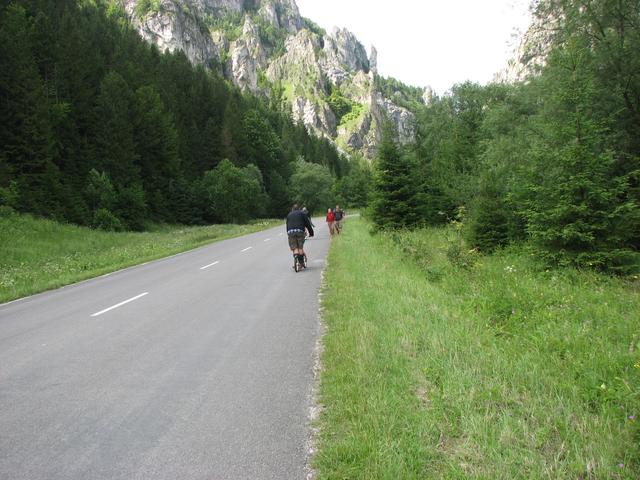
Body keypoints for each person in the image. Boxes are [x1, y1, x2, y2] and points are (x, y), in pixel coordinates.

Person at [286, 203, 314, 269]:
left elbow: (287, 225)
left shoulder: (289, 214)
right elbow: (308, 224)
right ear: (299, 209)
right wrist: (311, 233)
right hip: (300, 232)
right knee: (300, 248)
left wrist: (288, 232)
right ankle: (301, 263)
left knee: (295, 248)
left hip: (291, 232)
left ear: (292, 209)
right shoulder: (302, 214)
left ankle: (296, 261)